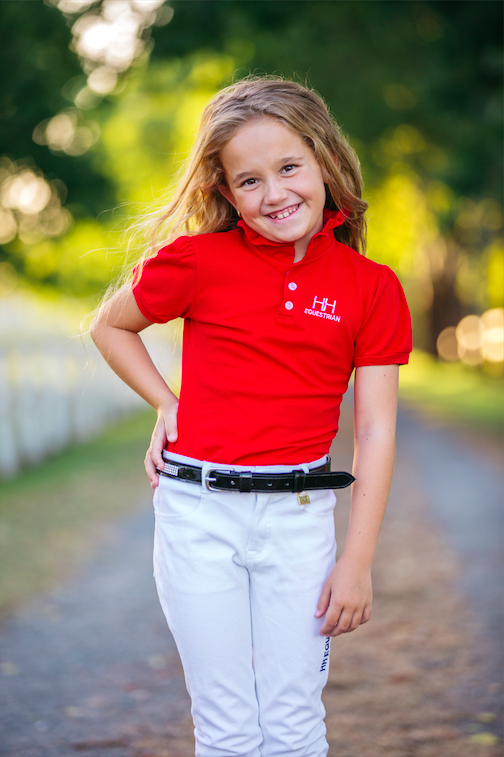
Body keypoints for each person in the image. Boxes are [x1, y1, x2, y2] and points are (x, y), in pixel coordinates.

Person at [91, 76, 412, 757]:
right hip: (197, 513)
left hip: (300, 521)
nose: (275, 194)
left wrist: (356, 560)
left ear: (325, 159)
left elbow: (378, 429)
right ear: (226, 193)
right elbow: (110, 327)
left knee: (294, 723)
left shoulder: (372, 286)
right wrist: (167, 402)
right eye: (250, 180)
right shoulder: (197, 262)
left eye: (289, 167)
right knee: (229, 726)